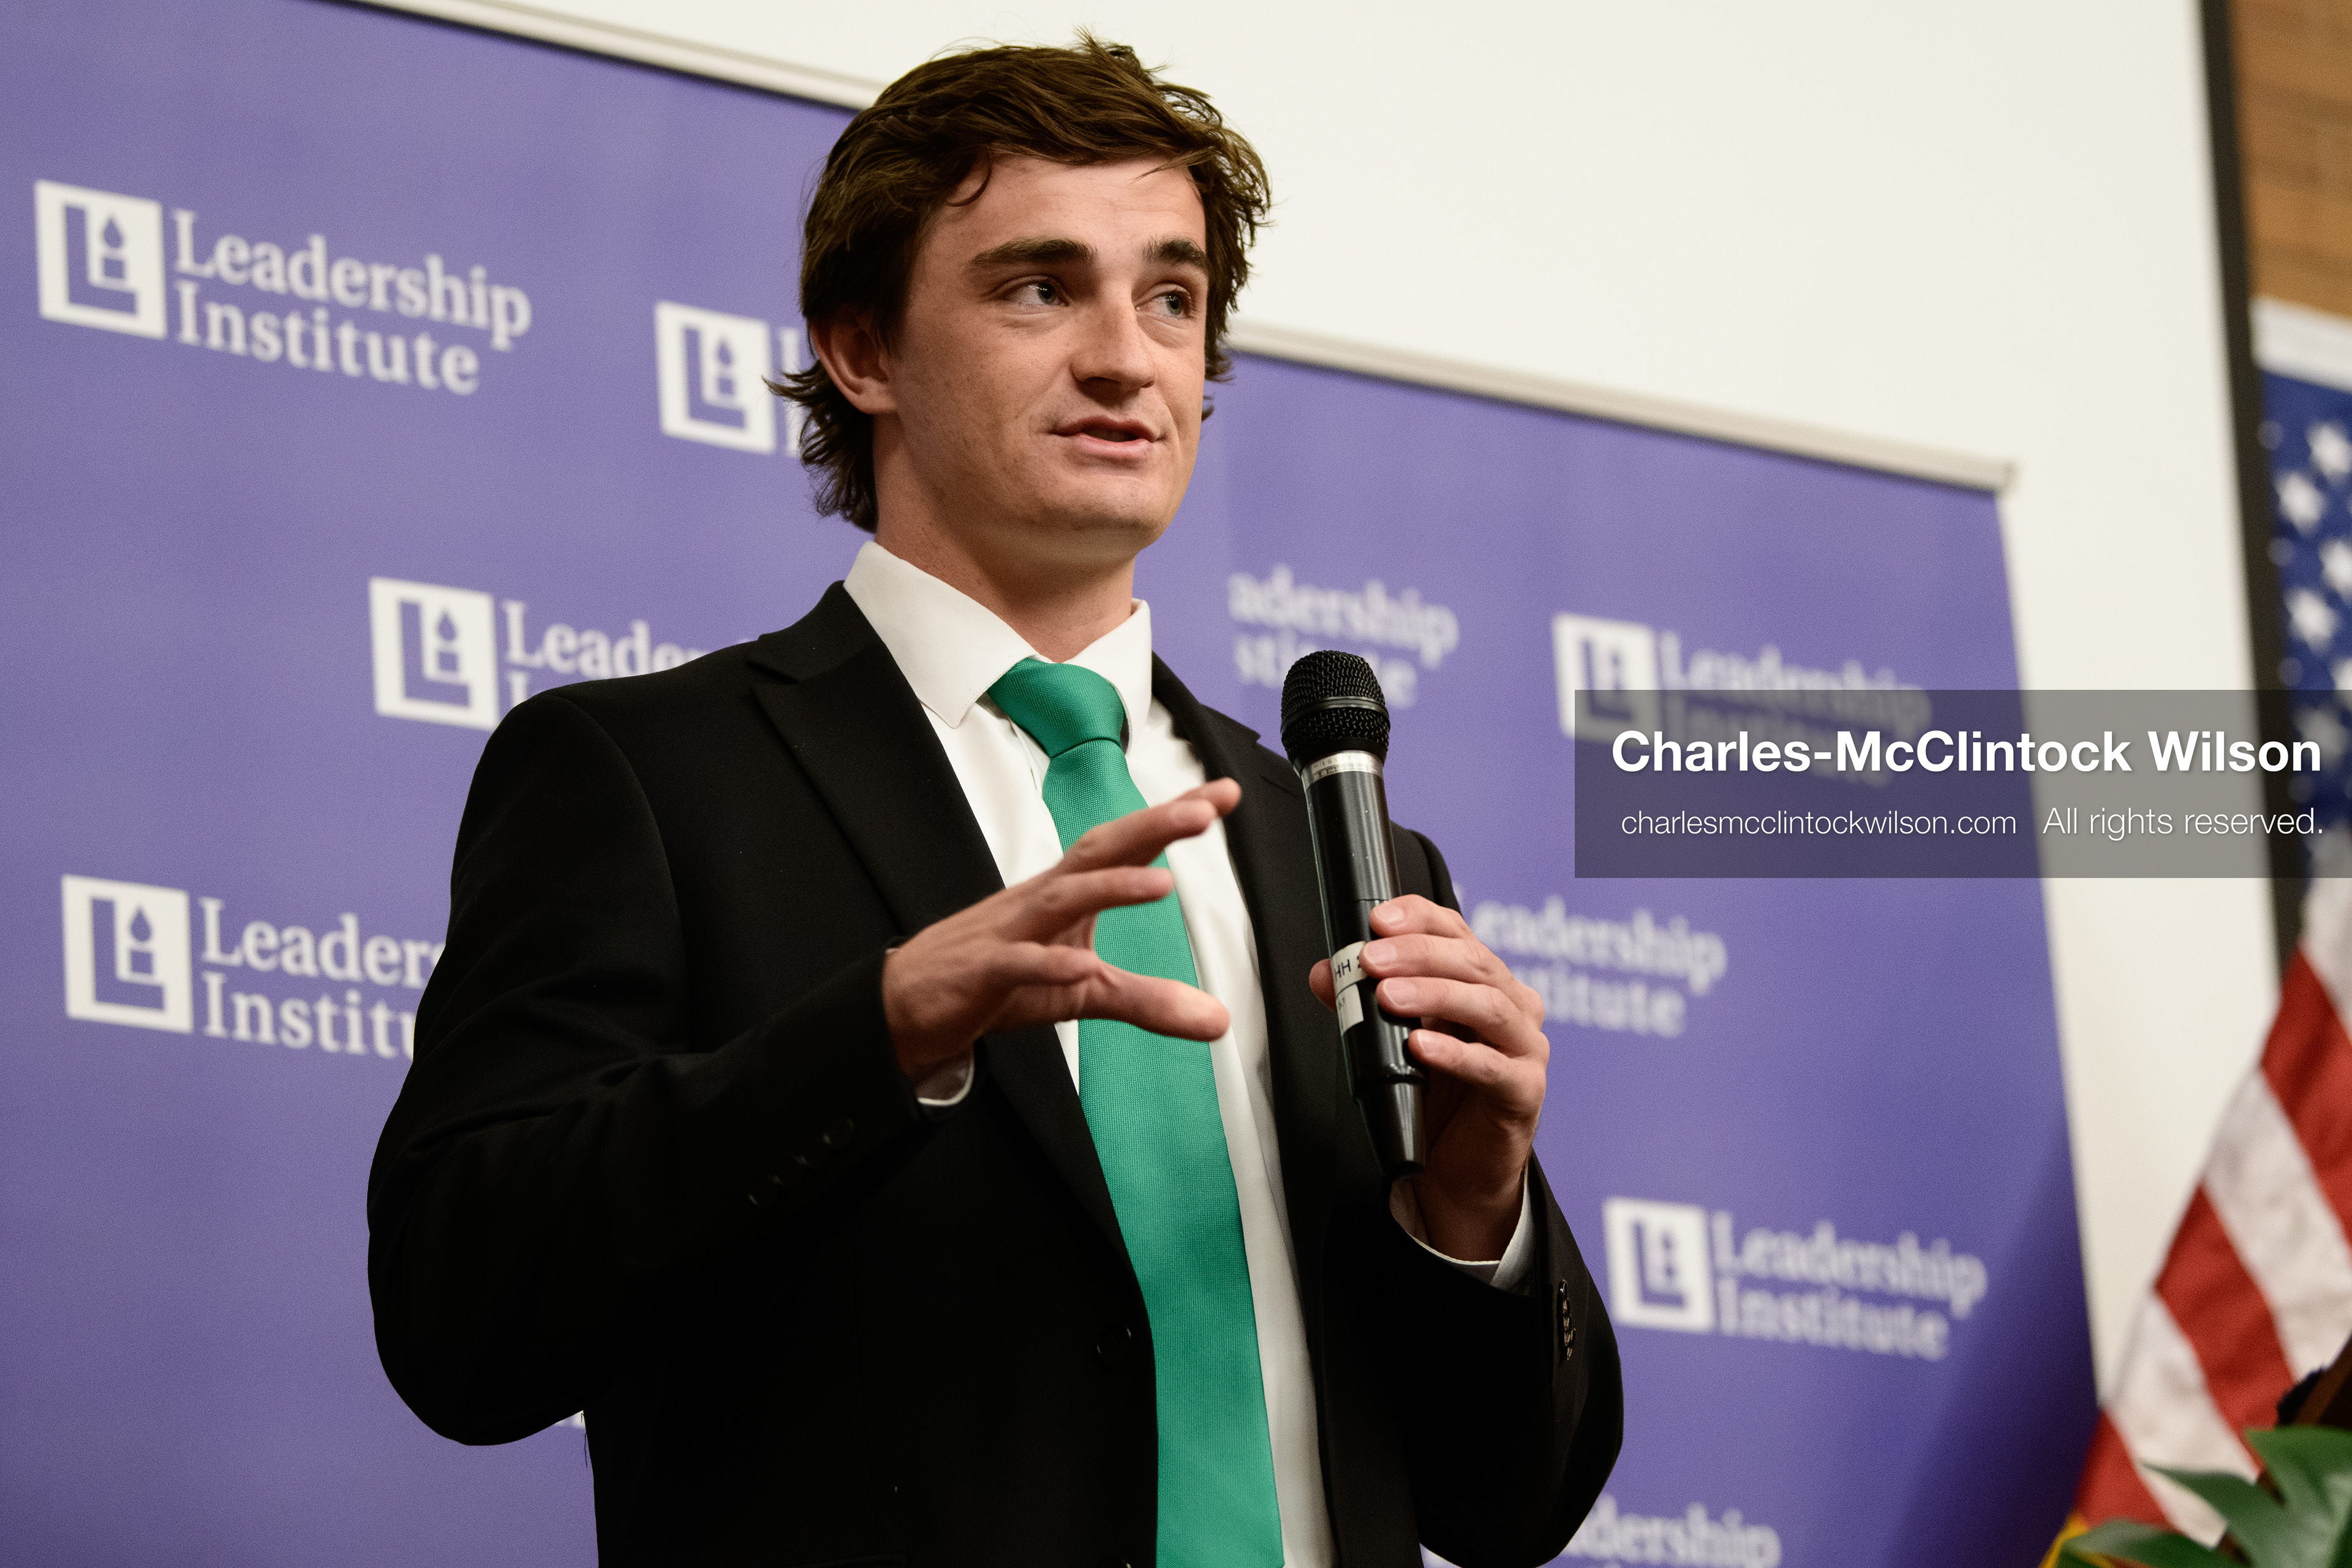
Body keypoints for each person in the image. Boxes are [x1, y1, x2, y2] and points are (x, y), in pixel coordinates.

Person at [368, 36, 1619, 1568]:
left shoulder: (1337, 841)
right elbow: (461, 1315)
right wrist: (878, 1034)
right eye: (1041, 287)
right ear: (862, 350)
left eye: (1172, 296)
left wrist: (1476, 1207)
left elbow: (1513, 1503)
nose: (1127, 356)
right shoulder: (646, 775)